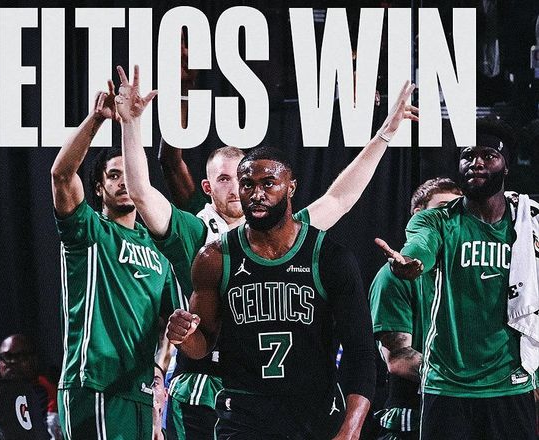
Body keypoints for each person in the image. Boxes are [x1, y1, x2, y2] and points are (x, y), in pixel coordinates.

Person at [117, 53, 418, 437]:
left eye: (256, 181)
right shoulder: (200, 235)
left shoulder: (291, 232)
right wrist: (131, 125)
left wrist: (385, 134)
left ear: (285, 188)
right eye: (231, 180)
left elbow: (340, 197)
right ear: (208, 187)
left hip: (293, 395)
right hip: (210, 381)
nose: (244, 191)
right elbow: (144, 192)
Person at [165, 146, 376, 439]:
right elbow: (202, 346)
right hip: (244, 414)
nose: (256, 194)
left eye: (268, 184)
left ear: (290, 188)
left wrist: (351, 428)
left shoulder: (329, 257)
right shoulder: (214, 258)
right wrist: (185, 336)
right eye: (247, 184)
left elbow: (361, 352)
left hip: (313, 412)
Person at [376, 119, 539, 440]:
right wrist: (410, 263)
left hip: (511, 384)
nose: (476, 162)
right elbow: (420, 247)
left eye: (488, 155)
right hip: (447, 387)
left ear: (506, 166)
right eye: (468, 155)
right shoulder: (436, 220)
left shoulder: (527, 223)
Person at [50, 84, 181, 439]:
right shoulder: (87, 230)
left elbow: (171, 323)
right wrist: (96, 120)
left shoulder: (160, 249)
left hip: (141, 391)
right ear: (98, 187)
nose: (124, 182)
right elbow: (61, 175)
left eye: (129, 173)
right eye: (113, 175)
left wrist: (159, 371)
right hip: (94, 383)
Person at [369, 177, 462, 440]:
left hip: (464, 413)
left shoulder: (468, 274)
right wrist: (467, 379)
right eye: (442, 209)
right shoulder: (392, 276)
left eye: (456, 212)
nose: (449, 219)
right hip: (412, 417)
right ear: (419, 215)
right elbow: (398, 358)